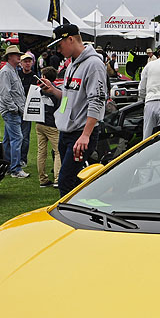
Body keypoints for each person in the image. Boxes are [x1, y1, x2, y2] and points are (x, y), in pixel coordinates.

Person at [37, 24, 109, 196]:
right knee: (74, 181)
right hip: (66, 132)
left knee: (65, 181)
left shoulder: (93, 64)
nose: (58, 50)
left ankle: (69, 213)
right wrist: (53, 90)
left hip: (80, 133)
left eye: (59, 45)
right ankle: (91, 205)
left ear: (70, 39)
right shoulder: (71, 64)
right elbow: (69, 98)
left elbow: (97, 101)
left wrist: (85, 135)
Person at [0, 45, 28, 178]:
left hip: (13, 110)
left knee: (9, 139)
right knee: (17, 138)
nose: (19, 57)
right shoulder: (6, 71)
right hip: (11, 111)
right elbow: (4, 93)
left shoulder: (12, 70)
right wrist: (13, 108)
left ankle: (7, 165)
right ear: (10, 57)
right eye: (17, 55)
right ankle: (15, 169)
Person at [34, 66, 62, 188]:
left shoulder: (38, 90)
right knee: (58, 151)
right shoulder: (55, 91)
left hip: (40, 123)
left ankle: (42, 179)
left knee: (41, 151)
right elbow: (61, 108)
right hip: (52, 125)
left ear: (44, 77)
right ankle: (57, 178)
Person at [17, 53, 38, 168]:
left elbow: (33, 91)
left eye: (29, 61)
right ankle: (14, 158)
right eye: (25, 61)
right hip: (16, 108)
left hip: (27, 109)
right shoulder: (17, 74)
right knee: (15, 135)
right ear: (21, 63)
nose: (27, 63)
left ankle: (23, 159)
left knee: (25, 136)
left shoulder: (34, 76)